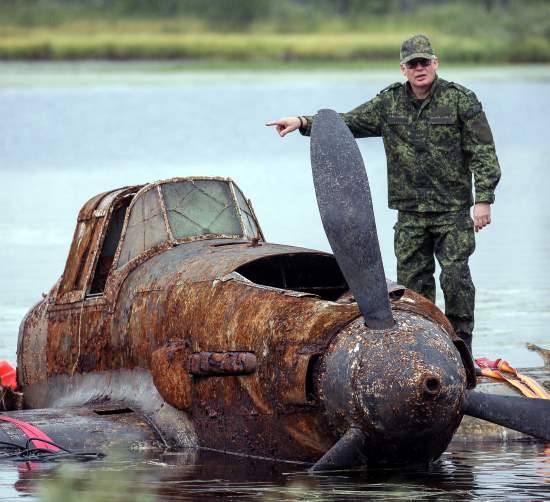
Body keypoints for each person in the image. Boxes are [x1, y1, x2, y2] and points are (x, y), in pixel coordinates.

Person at [266, 34, 501, 353]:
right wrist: (303, 122)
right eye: (413, 64)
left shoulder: (461, 100)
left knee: (456, 280)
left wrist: (483, 200)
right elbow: (347, 123)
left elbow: (483, 152)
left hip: (452, 213)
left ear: (435, 63)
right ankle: (423, 348)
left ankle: (463, 348)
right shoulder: (388, 102)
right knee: (414, 289)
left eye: (425, 62)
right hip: (410, 215)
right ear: (403, 69)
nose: (420, 69)